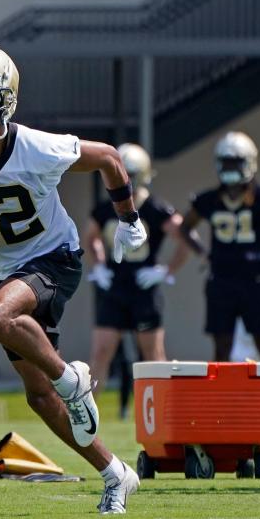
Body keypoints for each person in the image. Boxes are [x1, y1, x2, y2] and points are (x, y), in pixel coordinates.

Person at [0, 43, 146, 514]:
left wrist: (127, 219)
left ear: (5, 99)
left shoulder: (37, 147)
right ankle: (115, 473)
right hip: (7, 272)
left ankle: (72, 379)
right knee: (39, 396)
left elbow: (108, 157)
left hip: (54, 258)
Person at [178, 131, 260, 362]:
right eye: (226, 162)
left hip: (255, 280)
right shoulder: (208, 199)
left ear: (250, 162)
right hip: (222, 278)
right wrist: (203, 254)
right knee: (222, 347)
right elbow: (185, 227)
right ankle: (221, 398)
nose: (230, 167)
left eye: (236, 162)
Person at [84, 143, 189, 398]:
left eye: (128, 172)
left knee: (153, 357)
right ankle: (86, 416)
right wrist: (98, 266)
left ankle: (165, 415)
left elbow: (186, 238)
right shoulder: (105, 208)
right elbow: (89, 237)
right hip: (115, 286)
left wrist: (165, 271)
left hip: (144, 289)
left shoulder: (155, 208)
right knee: (100, 354)